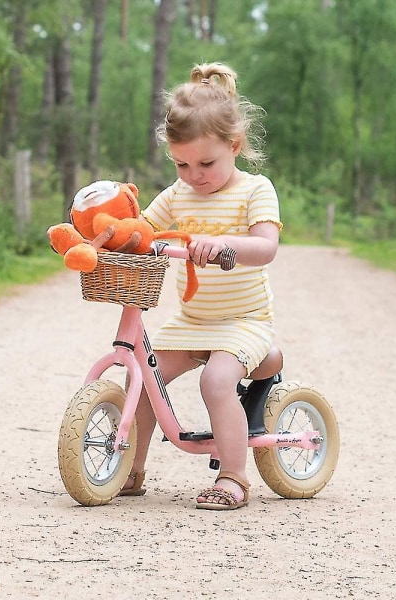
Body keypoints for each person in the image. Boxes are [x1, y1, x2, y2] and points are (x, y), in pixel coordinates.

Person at [120, 62, 283, 510]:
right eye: (182, 164)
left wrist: (221, 242)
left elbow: (265, 246)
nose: (195, 174)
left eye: (206, 163)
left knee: (216, 382)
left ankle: (233, 476)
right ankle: (129, 468)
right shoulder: (178, 192)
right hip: (194, 320)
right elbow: (142, 229)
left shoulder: (255, 190)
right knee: (145, 377)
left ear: (234, 145)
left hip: (244, 321)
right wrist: (107, 233)